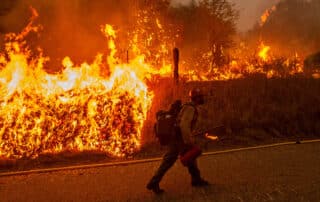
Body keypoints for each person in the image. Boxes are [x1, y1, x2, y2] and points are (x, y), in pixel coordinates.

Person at [146, 88, 209, 194]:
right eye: (201, 96)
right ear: (197, 98)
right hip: (179, 139)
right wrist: (189, 141)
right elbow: (184, 125)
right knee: (170, 160)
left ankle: (196, 179)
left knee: (190, 158)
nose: (203, 98)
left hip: (177, 138)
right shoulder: (190, 108)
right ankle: (154, 182)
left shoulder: (188, 106)